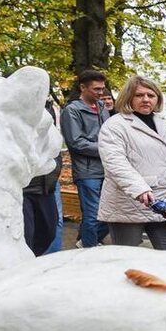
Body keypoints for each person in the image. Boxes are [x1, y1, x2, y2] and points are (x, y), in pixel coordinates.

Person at [96, 75, 166, 250]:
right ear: (128, 97)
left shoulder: (162, 124)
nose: (146, 99)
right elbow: (114, 162)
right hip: (131, 201)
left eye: (151, 95)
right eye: (139, 95)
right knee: (127, 260)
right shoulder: (114, 125)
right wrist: (139, 188)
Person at [60, 69, 110, 247]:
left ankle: (85, 243)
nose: (101, 93)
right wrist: (106, 149)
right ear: (83, 87)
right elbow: (76, 142)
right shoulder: (72, 111)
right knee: (92, 214)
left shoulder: (103, 108)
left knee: (111, 213)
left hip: (108, 169)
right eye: (96, 89)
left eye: (102, 88)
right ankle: (90, 251)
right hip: (87, 171)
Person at [22, 100, 64, 256]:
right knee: (26, 236)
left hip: (47, 185)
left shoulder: (46, 109)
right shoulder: (13, 112)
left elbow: (53, 144)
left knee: (48, 231)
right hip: (25, 188)